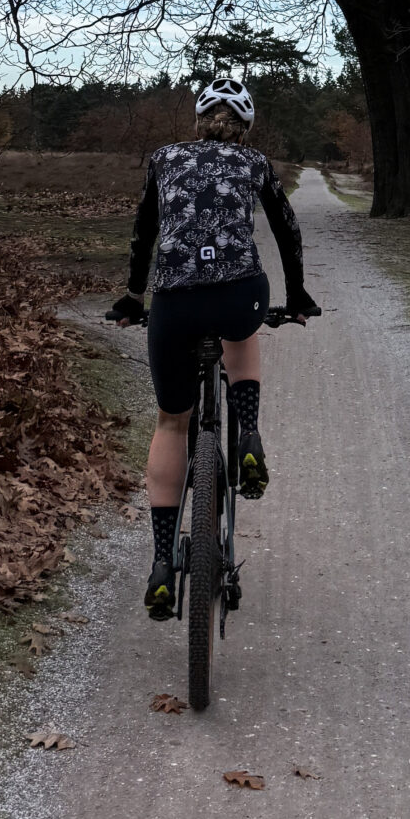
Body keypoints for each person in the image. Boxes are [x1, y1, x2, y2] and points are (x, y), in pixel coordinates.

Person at [107, 75, 319, 619]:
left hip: (174, 303)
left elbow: (144, 232)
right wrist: (298, 296)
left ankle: (162, 562)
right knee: (241, 333)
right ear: (246, 127)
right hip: (238, 295)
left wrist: (133, 297)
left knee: (171, 422)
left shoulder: (164, 158)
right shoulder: (256, 163)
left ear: (197, 122)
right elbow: (287, 230)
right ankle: (249, 434)